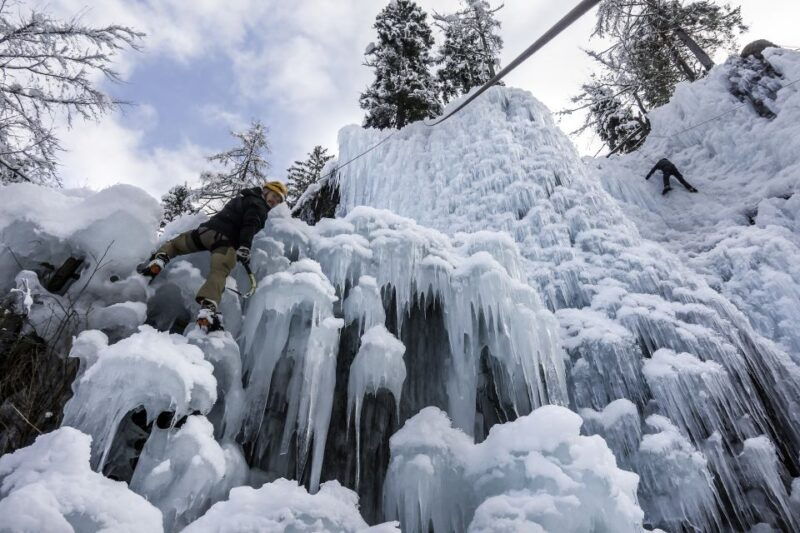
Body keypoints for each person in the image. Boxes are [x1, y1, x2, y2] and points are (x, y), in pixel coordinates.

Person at [140, 181, 288, 331]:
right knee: (219, 272)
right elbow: (250, 223)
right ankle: (208, 309)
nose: (274, 201)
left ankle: (159, 261)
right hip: (225, 243)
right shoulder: (259, 205)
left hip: (204, 233)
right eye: (273, 195)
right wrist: (244, 246)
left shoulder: (242, 198)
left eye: (278, 200)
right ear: (265, 191)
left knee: (175, 245)